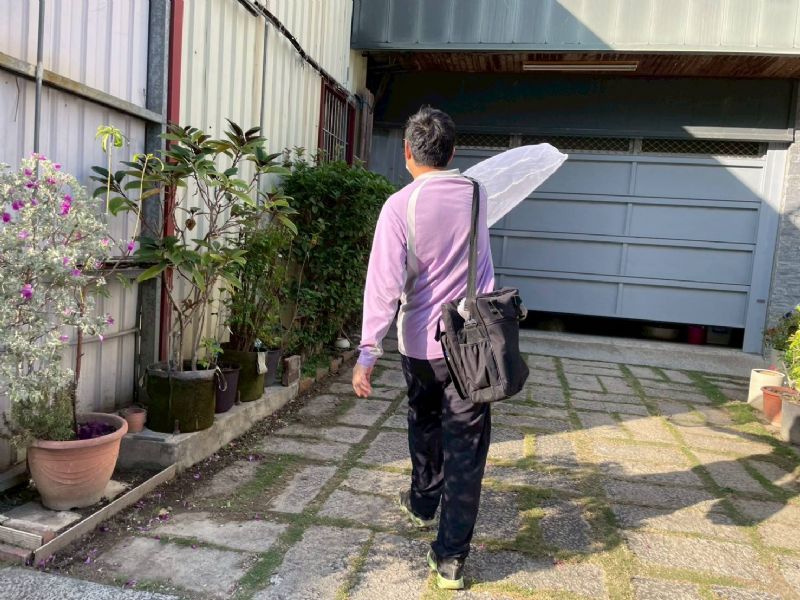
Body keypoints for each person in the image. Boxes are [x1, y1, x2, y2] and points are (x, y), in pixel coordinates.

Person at [352, 106, 495, 590]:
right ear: (453, 152)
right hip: (472, 342)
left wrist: (368, 352)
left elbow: (383, 285)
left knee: (425, 422)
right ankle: (451, 558)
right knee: (467, 448)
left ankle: (422, 500)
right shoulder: (477, 194)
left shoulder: (400, 206)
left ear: (407, 152)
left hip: (420, 343)